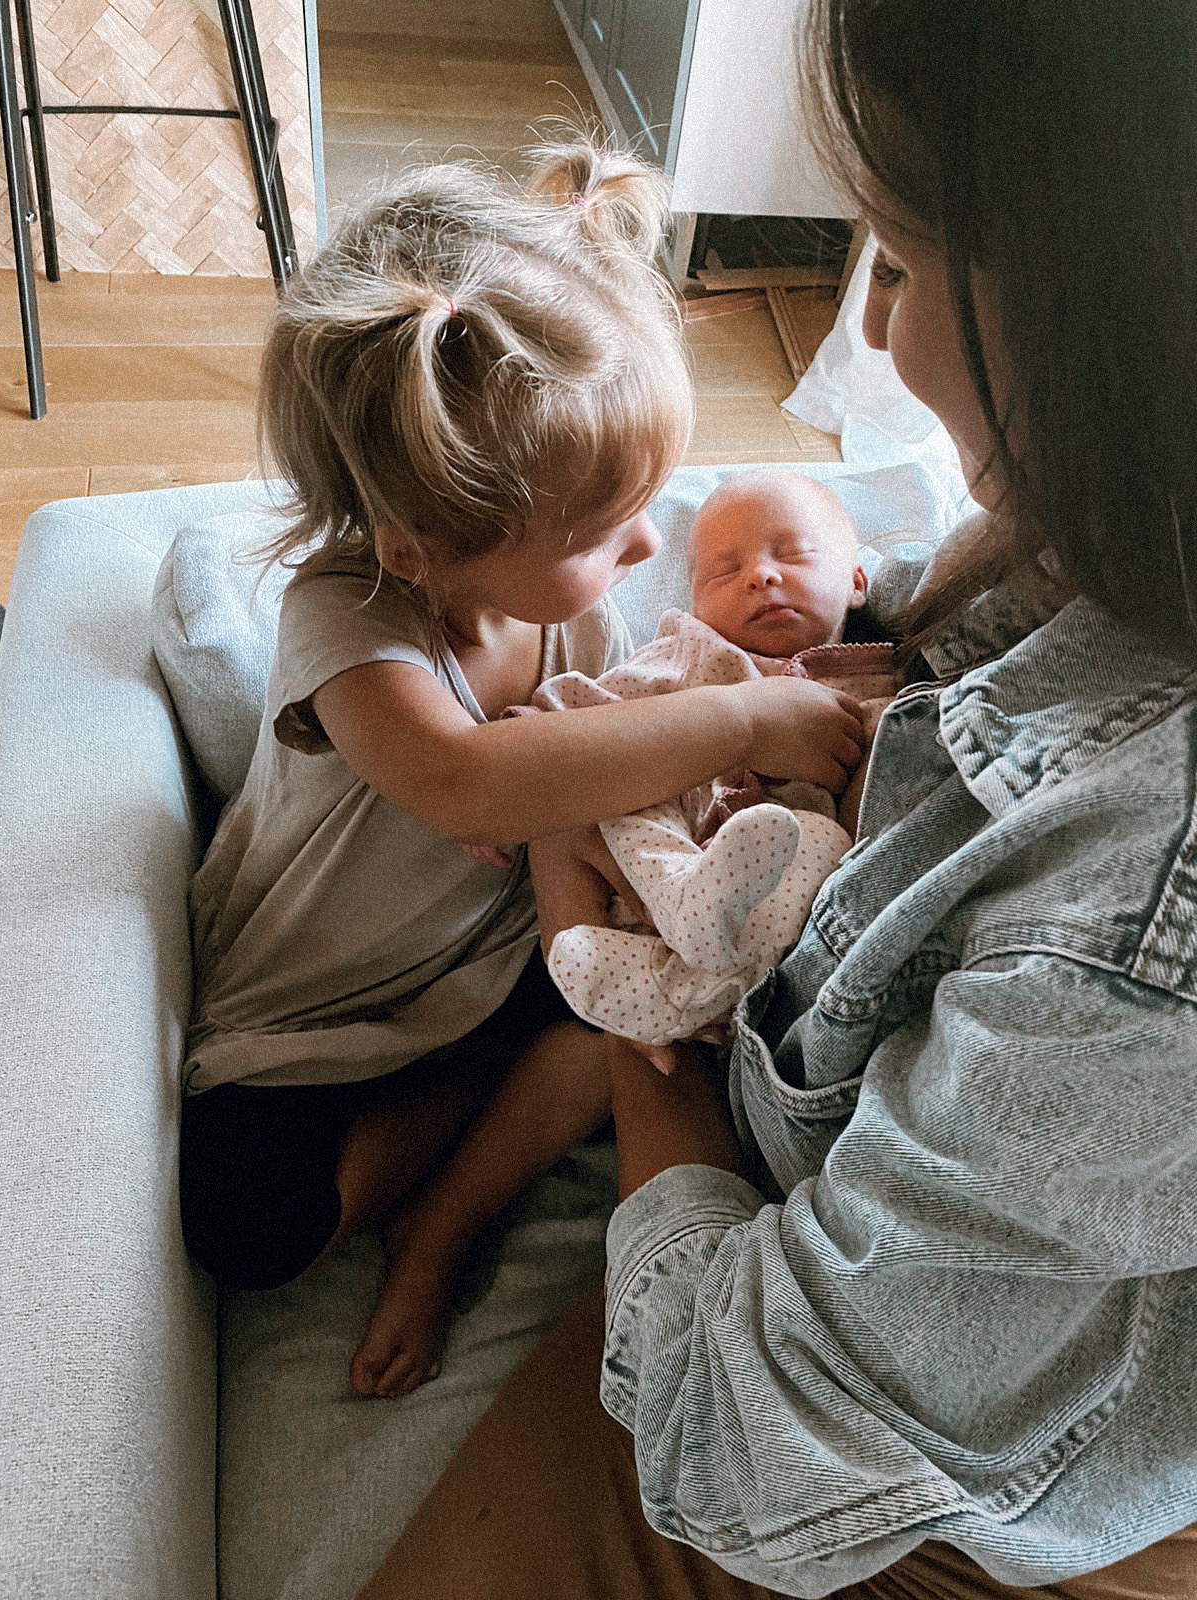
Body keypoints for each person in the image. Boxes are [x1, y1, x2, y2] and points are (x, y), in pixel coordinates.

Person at [365, 1, 1197, 1595]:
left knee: (574, 1054)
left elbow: (735, 1441)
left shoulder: (1138, 927)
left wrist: (646, 1030)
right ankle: (437, 1220)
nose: (877, 339)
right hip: (773, 1106)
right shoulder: (1068, 546)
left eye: (900, 262)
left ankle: (431, 1216)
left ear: (1103, 299)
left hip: (921, 1464)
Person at [176, 137, 865, 1402]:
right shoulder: (349, 619)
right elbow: (466, 780)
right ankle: (453, 1121)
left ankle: (440, 1232)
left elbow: (584, 782)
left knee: (636, 1029)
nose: (646, 545)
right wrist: (738, 721)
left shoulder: (570, 618)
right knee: (249, 1230)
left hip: (492, 971)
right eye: (604, 529)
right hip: (314, 1023)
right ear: (419, 545)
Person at [539, 468, 895, 1049]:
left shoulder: (883, 684)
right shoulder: (690, 654)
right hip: (655, 888)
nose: (760, 575)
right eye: (724, 572)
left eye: (794, 554)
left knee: (817, 837)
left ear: (857, 582)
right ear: (698, 604)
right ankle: (667, 939)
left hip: (775, 926)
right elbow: (588, 715)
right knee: (614, 789)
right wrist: (528, 725)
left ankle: (693, 988)